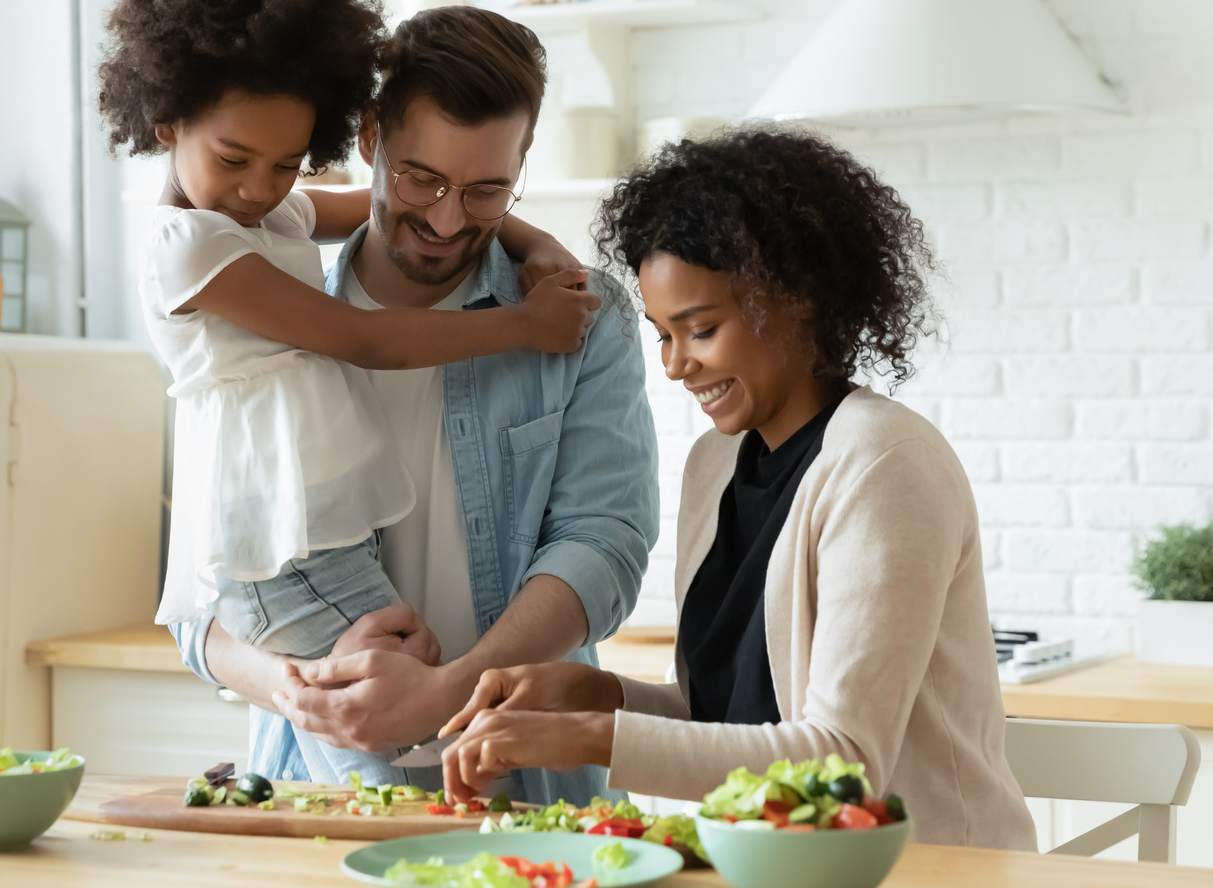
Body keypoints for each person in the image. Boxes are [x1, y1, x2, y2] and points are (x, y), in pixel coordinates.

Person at [436, 126, 1041, 850]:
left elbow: (842, 762)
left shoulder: (884, 465)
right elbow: (730, 719)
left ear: (800, 300)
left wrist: (592, 740)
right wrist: (587, 695)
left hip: (926, 871)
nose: (675, 366)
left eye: (701, 330)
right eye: (663, 334)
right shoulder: (715, 466)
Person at [96, 0, 600, 783]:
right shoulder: (187, 248)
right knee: (380, 765)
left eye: (286, 163)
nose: (262, 187)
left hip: (322, 542)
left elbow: (375, 204)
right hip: (284, 550)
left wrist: (535, 245)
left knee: (393, 737)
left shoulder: (260, 217)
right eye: (234, 159)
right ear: (168, 122)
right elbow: (363, 339)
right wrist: (523, 327)